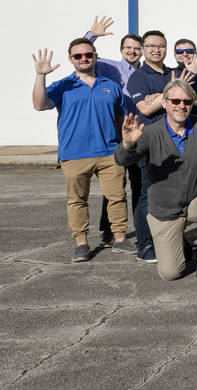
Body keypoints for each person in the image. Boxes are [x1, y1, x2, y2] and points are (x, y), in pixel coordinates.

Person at [114, 80, 197, 284]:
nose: (181, 105)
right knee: (171, 273)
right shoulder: (150, 133)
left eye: (187, 101)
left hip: (195, 201)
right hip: (164, 210)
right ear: (164, 103)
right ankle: (180, 244)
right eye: (175, 100)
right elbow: (123, 160)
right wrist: (128, 145)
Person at [32, 40, 134, 261]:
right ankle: (81, 243)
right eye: (78, 56)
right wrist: (41, 76)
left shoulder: (111, 85)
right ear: (71, 59)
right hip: (74, 154)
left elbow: (120, 118)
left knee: (117, 196)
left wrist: (122, 146)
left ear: (95, 56)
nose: (83, 58)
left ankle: (119, 238)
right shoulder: (63, 85)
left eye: (88, 54)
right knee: (77, 200)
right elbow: (40, 105)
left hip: (109, 152)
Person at [127, 30, 187, 263]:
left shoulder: (174, 72)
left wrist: (161, 97)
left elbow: (183, 103)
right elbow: (145, 109)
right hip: (149, 142)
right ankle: (145, 245)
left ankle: (174, 238)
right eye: (151, 46)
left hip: (176, 141)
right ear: (143, 49)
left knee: (175, 193)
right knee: (145, 195)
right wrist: (168, 93)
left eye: (161, 46)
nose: (156, 50)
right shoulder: (138, 77)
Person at [85, 17, 143, 247]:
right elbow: (85, 57)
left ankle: (142, 227)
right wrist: (93, 35)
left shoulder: (147, 72)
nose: (132, 51)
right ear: (121, 50)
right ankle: (107, 230)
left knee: (140, 184)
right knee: (114, 187)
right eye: (128, 47)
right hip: (117, 135)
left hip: (140, 135)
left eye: (136, 48)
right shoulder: (109, 67)